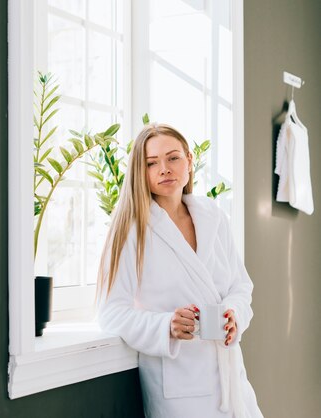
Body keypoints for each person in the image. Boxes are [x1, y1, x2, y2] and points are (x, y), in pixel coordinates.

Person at [97, 123, 263, 418]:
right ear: (141, 172)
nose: (164, 169)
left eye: (173, 158)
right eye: (151, 163)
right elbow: (111, 313)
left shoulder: (214, 217)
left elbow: (241, 287)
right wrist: (167, 326)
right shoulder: (130, 229)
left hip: (232, 382)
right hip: (179, 389)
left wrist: (233, 316)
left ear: (189, 161)